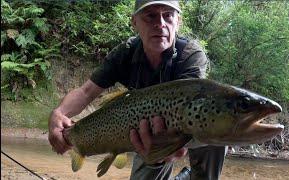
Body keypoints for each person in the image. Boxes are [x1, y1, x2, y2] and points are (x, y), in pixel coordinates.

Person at [48, 1, 227, 179]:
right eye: (151, 16)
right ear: (134, 22)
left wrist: (173, 148)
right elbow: (86, 92)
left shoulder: (190, 55)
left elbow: (194, 110)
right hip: (147, 133)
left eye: (168, 15)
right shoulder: (124, 54)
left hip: (188, 128)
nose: (161, 23)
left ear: (178, 22)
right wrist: (59, 113)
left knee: (218, 135)